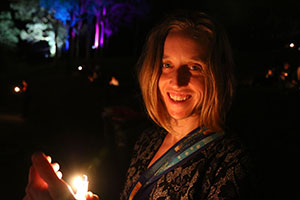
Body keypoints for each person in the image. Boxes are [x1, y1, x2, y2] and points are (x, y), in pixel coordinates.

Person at [23, 10, 255, 200]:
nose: (177, 81)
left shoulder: (230, 160)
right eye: (167, 65)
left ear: (217, 75)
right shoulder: (148, 140)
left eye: (195, 67)